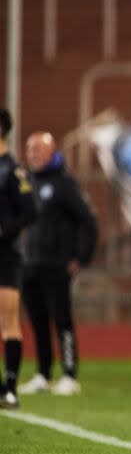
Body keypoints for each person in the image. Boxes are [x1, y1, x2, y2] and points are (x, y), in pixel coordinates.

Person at [18, 132, 97, 396]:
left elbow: (88, 221)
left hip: (56, 263)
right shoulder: (26, 183)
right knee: (37, 321)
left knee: (61, 319)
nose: (33, 154)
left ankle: (69, 374)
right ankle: (43, 373)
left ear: (51, 152)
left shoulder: (63, 184)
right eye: (30, 149)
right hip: (30, 263)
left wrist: (80, 257)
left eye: (38, 149)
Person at [0, 109, 37, 409]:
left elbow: (30, 211)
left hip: (5, 255)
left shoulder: (12, 170)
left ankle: (10, 387)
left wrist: (5, 229)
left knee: (8, 319)